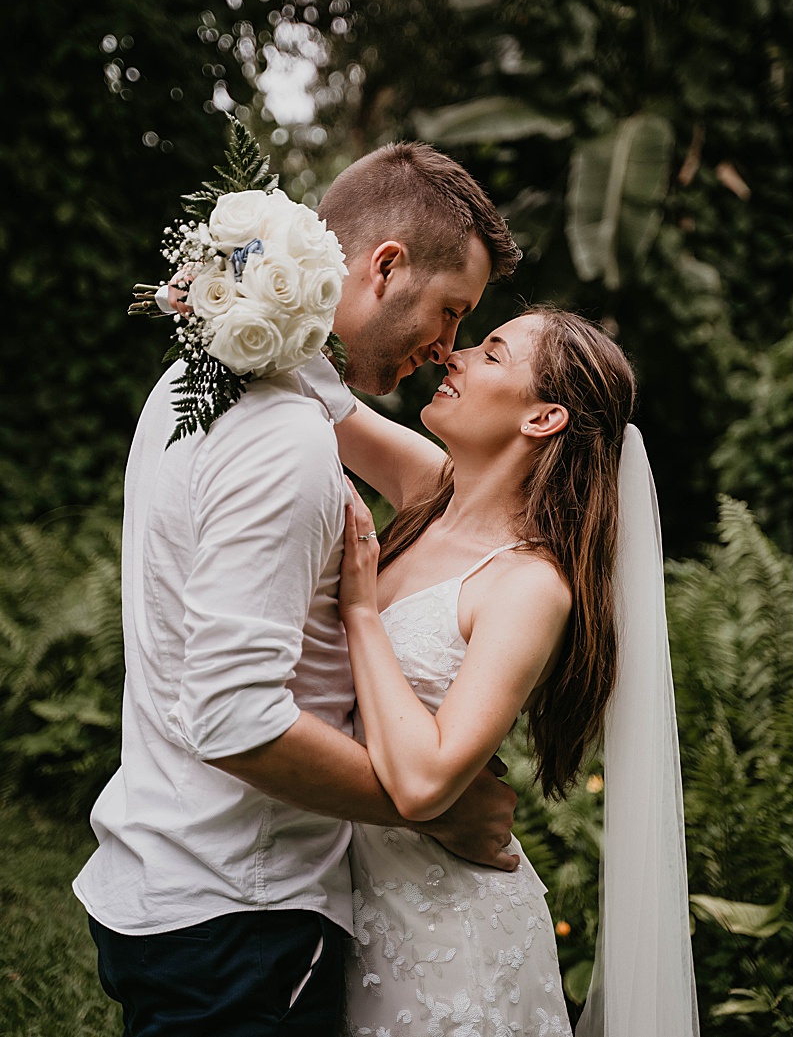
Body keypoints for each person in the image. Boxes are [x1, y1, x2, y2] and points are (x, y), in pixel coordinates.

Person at [74, 142, 524, 1035]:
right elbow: (236, 717)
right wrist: (430, 806)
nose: (447, 347)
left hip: (173, 880)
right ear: (386, 265)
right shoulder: (285, 442)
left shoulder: (195, 384)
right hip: (242, 911)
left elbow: (439, 490)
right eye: (451, 310)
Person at [332, 307, 697, 1036]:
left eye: (491, 353)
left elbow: (426, 779)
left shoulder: (529, 584)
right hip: (345, 903)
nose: (453, 357)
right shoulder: (430, 487)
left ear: (543, 417)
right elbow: (313, 395)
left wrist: (361, 611)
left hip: (445, 943)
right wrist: (229, 288)